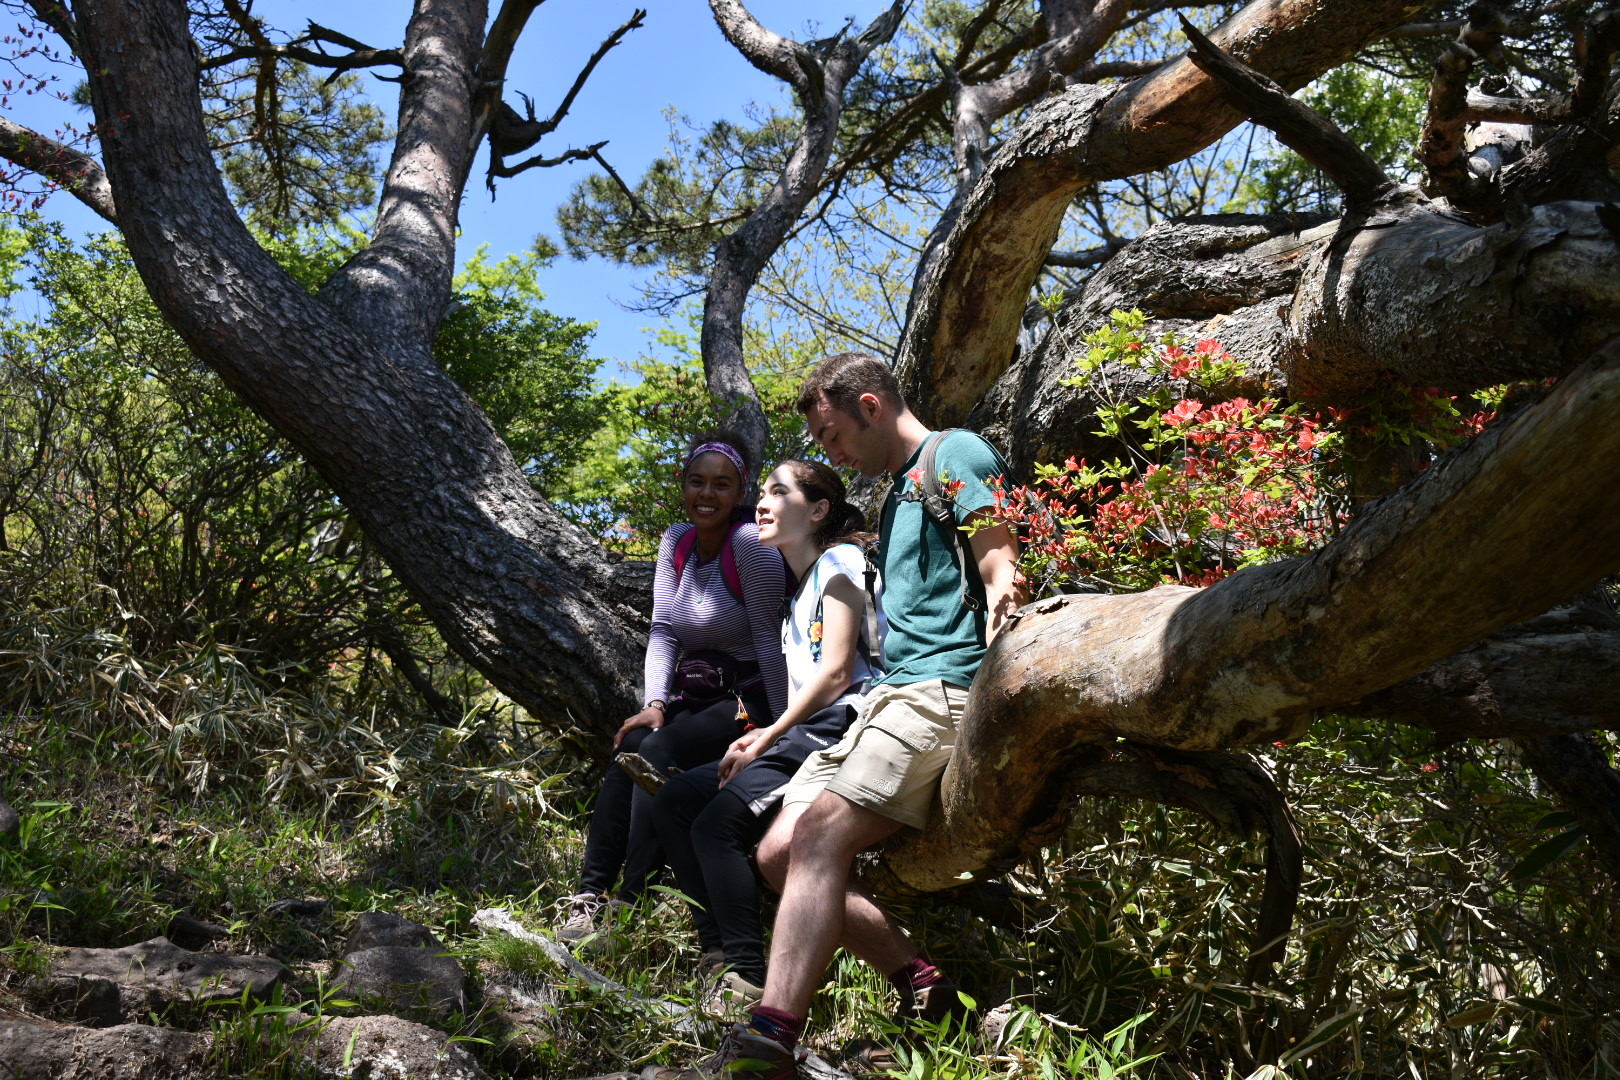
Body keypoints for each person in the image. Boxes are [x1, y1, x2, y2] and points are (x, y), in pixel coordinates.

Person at [647, 354, 1020, 1080]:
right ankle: (926, 985)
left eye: (831, 436)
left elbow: (997, 547)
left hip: (940, 692)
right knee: (778, 854)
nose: (832, 454)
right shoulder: (893, 497)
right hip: (888, 701)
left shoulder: (955, 452)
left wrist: (1005, 603)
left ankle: (773, 1033)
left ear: (870, 405)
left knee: (817, 833)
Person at [653, 459, 886, 1012]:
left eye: (779, 493)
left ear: (819, 510)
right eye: (761, 491)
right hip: (805, 731)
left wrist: (768, 735)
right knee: (676, 799)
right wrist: (762, 736)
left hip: (848, 724)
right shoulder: (793, 600)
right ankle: (715, 949)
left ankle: (747, 972)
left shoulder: (840, 562)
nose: (761, 503)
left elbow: (835, 675)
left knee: (716, 824)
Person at [558, 431, 790, 943]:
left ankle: (630, 899)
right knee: (633, 745)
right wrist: (654, 703)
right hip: (696, 694)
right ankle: (589, 894)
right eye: (697, 482)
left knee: (658, 750)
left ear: (740, 491)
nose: (707, 495)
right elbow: (663, 629)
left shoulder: (748, 543)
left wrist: (781, 725)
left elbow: (773, 639)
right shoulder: (675, 542)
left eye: (721, 485)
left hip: (748, 694)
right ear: (683, 486)